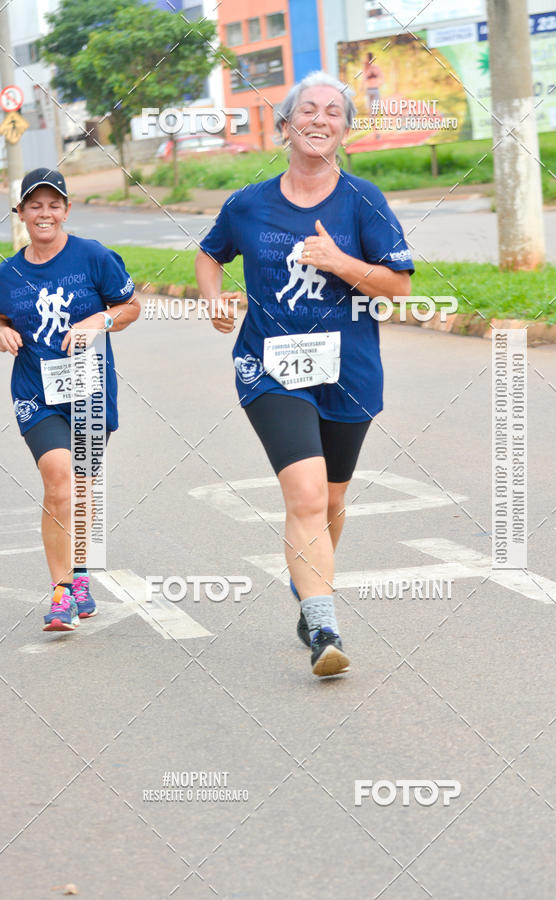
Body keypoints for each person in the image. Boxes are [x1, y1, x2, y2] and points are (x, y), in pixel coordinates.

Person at [195, 72, 413, 677]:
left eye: (333, 113)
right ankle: (324, 627)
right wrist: (214, 297)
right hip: (271, 367)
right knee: (308, 494)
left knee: (333, 499)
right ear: (285, 125)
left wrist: (338, 261)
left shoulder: (363, 200)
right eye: (308, 110)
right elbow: (210, 252)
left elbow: (397, 286)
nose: (320, 119)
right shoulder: (249, 204)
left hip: (349, 371)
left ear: (344, 131)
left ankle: (306, 588)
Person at [0, 168, 140, 631]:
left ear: (66, 210)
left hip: (89, 391)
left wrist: (97, 321)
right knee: (58, 481)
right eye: (34, 205)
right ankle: (61, 591)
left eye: (53, 204)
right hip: (36, 392)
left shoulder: (93, 257)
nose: (44, 213)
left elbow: (130, 306)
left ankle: (80, 575)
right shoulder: (8, 273)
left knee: (80, 492)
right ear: (19, 213)